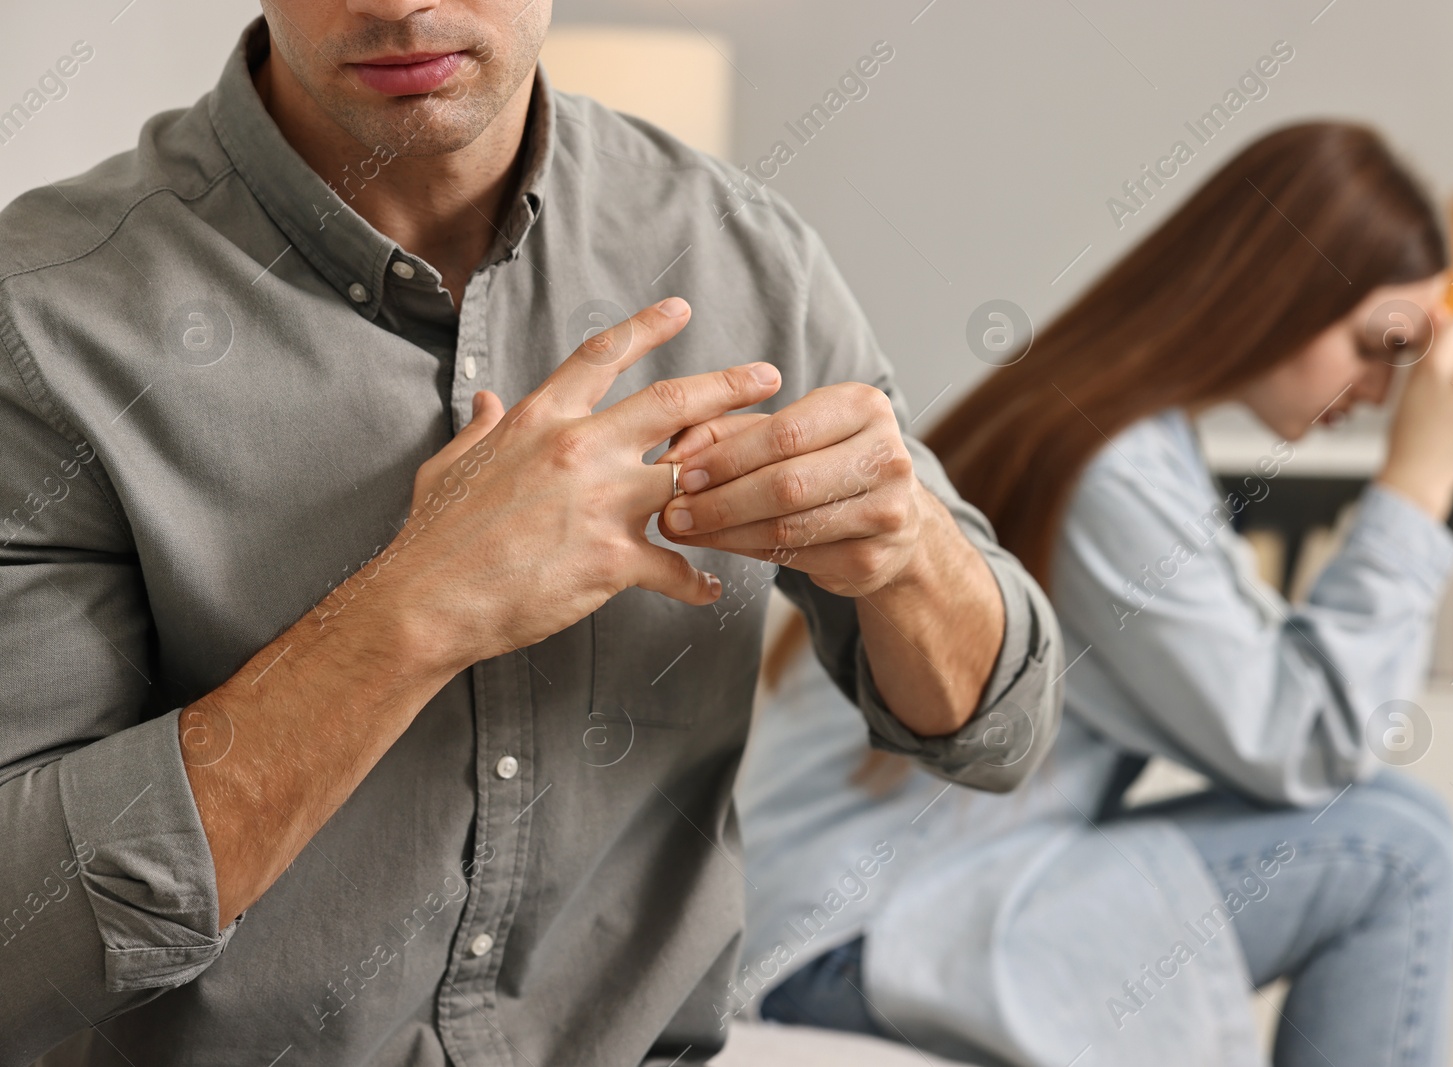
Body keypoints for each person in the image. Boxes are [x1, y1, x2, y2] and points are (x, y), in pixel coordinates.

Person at [0, 4, 1067, 1065]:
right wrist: (415, 607)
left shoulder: (744, 252)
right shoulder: (47, 316)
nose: (404, 4)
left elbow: (1002, 729)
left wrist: (914, 550)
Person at [730, 122, 1453, 1067]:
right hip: (847, 940)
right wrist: (1420, 484)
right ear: (1279, 291)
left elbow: (1297, 714)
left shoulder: (1123, 439)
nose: (1384, 387)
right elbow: (1302, 744)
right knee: (1399, 848)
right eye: (1377, 343)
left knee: (1399, 830)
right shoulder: (1108, 471)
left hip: (890, 907)